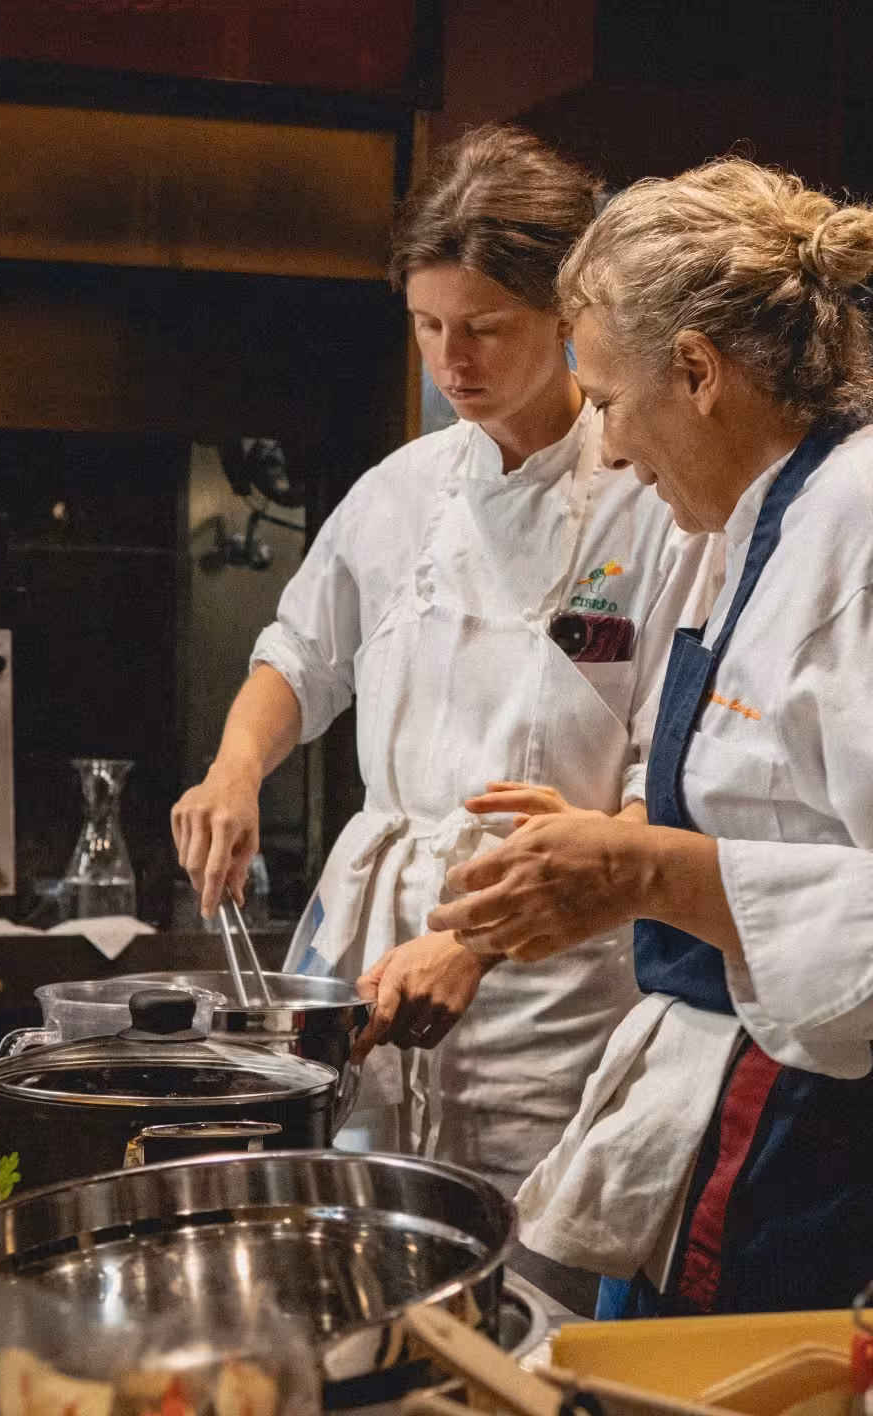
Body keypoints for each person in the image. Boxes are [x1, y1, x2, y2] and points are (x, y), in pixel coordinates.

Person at [424, 157, 873, 1365]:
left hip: (869, 1170)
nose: (603, 450)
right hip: (771, 1134)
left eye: (603, 401)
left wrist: (653, 872)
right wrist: (603, 844)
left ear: (697, 372)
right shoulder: (757, 519)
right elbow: (791, 807)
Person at [171, 126, 719, 1200]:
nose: (450, 360)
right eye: (426, 325)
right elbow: (298, 654)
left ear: (569, 318)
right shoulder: (400, 490)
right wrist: (234, 771)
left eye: (482, 327)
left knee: (531, 1251)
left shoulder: (651, 497)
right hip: (369, 957)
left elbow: (672, 779)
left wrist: (475, 941)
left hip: (555, 980)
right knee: (357, 1226)